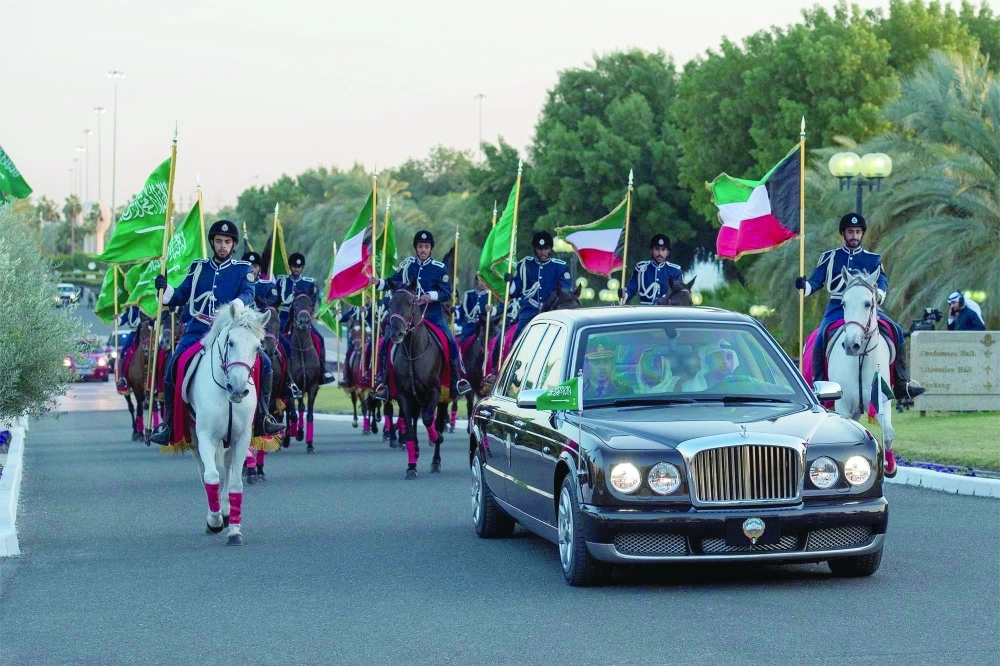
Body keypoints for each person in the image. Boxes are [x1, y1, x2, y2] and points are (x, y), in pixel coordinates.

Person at [149, 220, 284, 445]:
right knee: (173, 364)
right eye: (219, 241)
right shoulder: (198, 268)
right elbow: (181, 295)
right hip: (199, 331)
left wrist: (236, 309)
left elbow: (248, 294)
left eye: (228, 242)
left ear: (233, 245)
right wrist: (164, 289)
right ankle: (170, 424)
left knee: (267, 364)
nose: (223, 245)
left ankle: (262, 417)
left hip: (231, 329)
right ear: (212, 242)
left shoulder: (243, 269)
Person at [796, 212, 925, 399]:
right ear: (843, 233)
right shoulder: (830, 257)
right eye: (850, 232)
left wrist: (879, 295)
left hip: (867, 307)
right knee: (821, 337)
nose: (854, 236)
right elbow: (817, 280)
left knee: (896, 330)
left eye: (857, 232)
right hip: (838, 306)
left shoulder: (873, 259)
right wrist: (805, 286)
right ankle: (820, 384)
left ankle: (901, 383)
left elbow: (882, 281)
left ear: (862, 233)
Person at [371, 230, 472, 401]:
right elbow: (391, 282)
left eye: (426, 247)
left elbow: (446, 293)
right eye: (420, 246)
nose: (423, 250)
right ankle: (382, 382)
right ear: (416, 248)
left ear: (431, 249)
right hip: (408, 317)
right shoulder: (407, 265)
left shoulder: (439, 269)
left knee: (451, 341)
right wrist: (377, 282)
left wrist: (430, 295)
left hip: (432, 315)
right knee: (386, 342)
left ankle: (458, 380)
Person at [277, 252, 334, 384]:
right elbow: (276, 300)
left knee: (319, 338)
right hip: (285, 317)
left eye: (299, 267)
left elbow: (312, 303)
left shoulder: (308, 283)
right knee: (275, 339)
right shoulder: (282, 282)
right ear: (290, 267)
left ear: (302, 268)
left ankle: (322, 370)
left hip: (302, 318)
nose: (296, 269)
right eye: (294, 266)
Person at [505, 230, 573, 340]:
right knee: (517, 338)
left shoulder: (560, 267)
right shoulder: (525, 265)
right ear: (535, 249)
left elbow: (564, 292)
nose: (543, 252)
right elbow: (516, 291)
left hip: (552, 312)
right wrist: (510, 282)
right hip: (529, 311)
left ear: (550, 249)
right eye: (540, 249)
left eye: (546, 249)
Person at [622, 234, 684, 305]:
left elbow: (679, 294)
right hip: (645, 312)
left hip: (667, 312)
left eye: (663, 250)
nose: (660, 253)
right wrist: (624, 294)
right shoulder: (641, 269)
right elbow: (631, 289)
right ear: (651, 251)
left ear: (667, 252)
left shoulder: (675, 270)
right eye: (657, 249)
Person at [114, 305, 149, 390]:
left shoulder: (147, 303)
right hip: (134, 333)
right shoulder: (130, 308)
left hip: (147, 332)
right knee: (123, 352)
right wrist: (117, 318)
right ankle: (123, 377)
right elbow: (123, 320)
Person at [457, 275, 490, 342]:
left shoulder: (490, 295)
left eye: (484, 281)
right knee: (460, 339)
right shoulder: (469, 294)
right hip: (470, 325)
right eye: (480, 280)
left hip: (485, 326)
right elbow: (462, 310)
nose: (482, 283)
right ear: (476, 281)